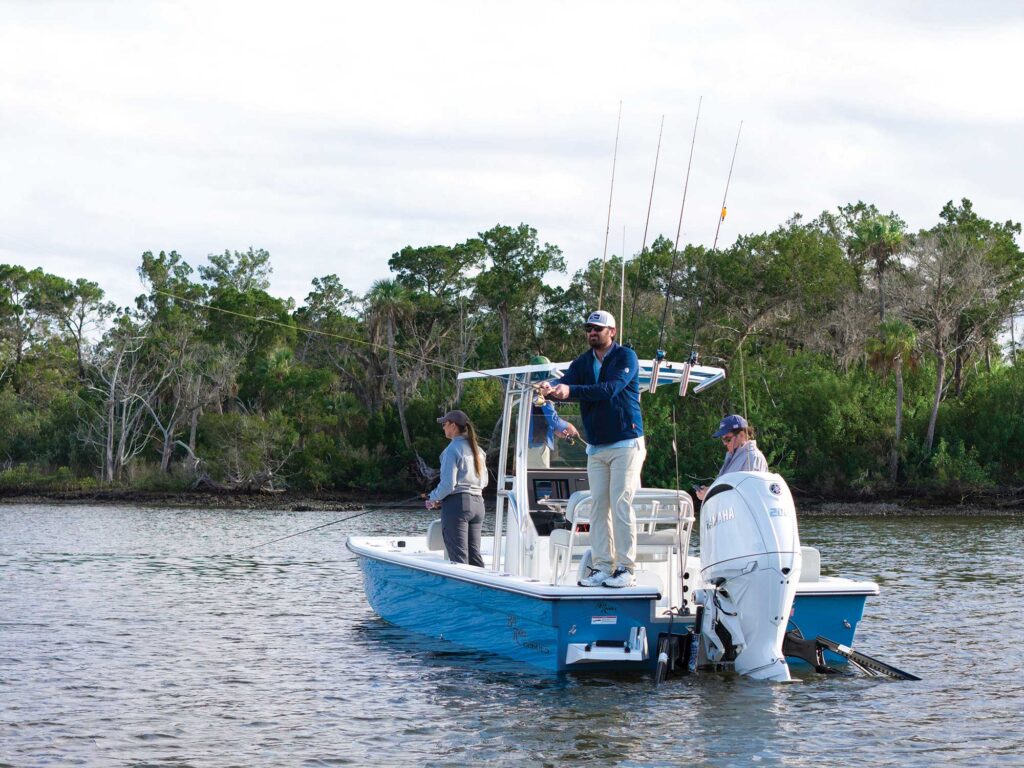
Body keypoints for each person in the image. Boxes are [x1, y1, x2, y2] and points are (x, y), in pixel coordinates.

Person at [537, 310, 645, 588]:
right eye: (588, 328)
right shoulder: (582, 362)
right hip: (596, 447)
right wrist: (550, 387)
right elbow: (568, 380)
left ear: (612, 331)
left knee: (621, 503)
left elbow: (609, 389)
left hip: (626, 443)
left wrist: (570, 392)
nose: (592, 332)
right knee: (599, 508)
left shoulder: (626, 357)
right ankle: (602, 567)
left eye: (597, 328)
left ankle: (626, 569)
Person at [425, 410, 489, 567]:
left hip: (458, 506)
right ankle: (481, 590)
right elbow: (484, 482)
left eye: (444, 424)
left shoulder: (452, 450)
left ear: (453, 425)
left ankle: (462, 591)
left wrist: (433, 498)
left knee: (459, 558)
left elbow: (448, 485)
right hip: (478, 505)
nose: (443, 428)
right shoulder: (479, 451)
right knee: (474, 557)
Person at [695, 414, 768, 501]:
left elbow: (748, 495)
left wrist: (710, 494)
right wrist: (709, 490)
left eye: (727, 439)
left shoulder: (753, 457)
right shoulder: (732, 457)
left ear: (742, 435)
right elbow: (727, 487)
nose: (724, 443)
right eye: (723, 440)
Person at [527, 355, 580, 468]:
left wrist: (555, 430)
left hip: (532, 445)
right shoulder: (538, 394)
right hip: (537, 446)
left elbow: (543, 416)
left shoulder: (531, 391)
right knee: (540, 482)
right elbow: (552, 418)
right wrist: (568, 426)